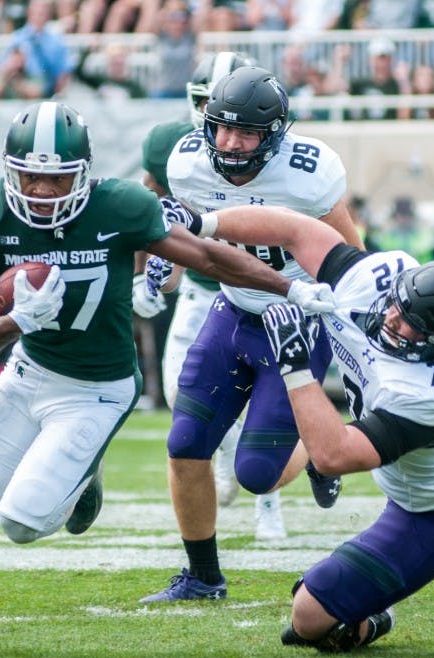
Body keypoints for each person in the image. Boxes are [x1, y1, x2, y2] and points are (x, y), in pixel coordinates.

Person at [0, 100, 335, 656]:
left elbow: (207, 256)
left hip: (98, 389)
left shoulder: (120, 206)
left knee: (20, 523)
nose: (39, 191)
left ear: (83, 173)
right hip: (27, 370)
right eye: (28, 177)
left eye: (54, 178)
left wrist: (292, 288)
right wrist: (15, 322)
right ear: (9, 171)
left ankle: (84, 477)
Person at [188, 204, 434, 652]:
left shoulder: (430, 396)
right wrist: (204, 222)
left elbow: (332, 456)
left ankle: (374, 618)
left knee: (307, 618)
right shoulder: (378, 279)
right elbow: (295, 229)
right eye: (399, 303)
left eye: (411, 325)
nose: (393, 317)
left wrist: (295, 366)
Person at [138, 65, 365, 603]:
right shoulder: (188, 162)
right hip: (234, 305)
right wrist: (159, 264)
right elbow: (185, 231)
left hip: (298, 317)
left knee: (257, 474)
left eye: (246, 133)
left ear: (275, 136)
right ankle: (202, 577)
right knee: (185, 443)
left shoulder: (308, 173)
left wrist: (357, 321)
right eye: (222, 128)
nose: (231, 143)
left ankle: (315, 452)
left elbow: (352, 252)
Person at [133, 51, 257, 517]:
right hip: (201, 289)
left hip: (262, 293)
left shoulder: (277, 153)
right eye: (207, 101)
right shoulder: (171, 144)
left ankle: (270, 501)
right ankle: (225, 453)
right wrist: (147, 276)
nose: (215, 115)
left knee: (264, 406)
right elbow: (147, 211)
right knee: (176, 393)